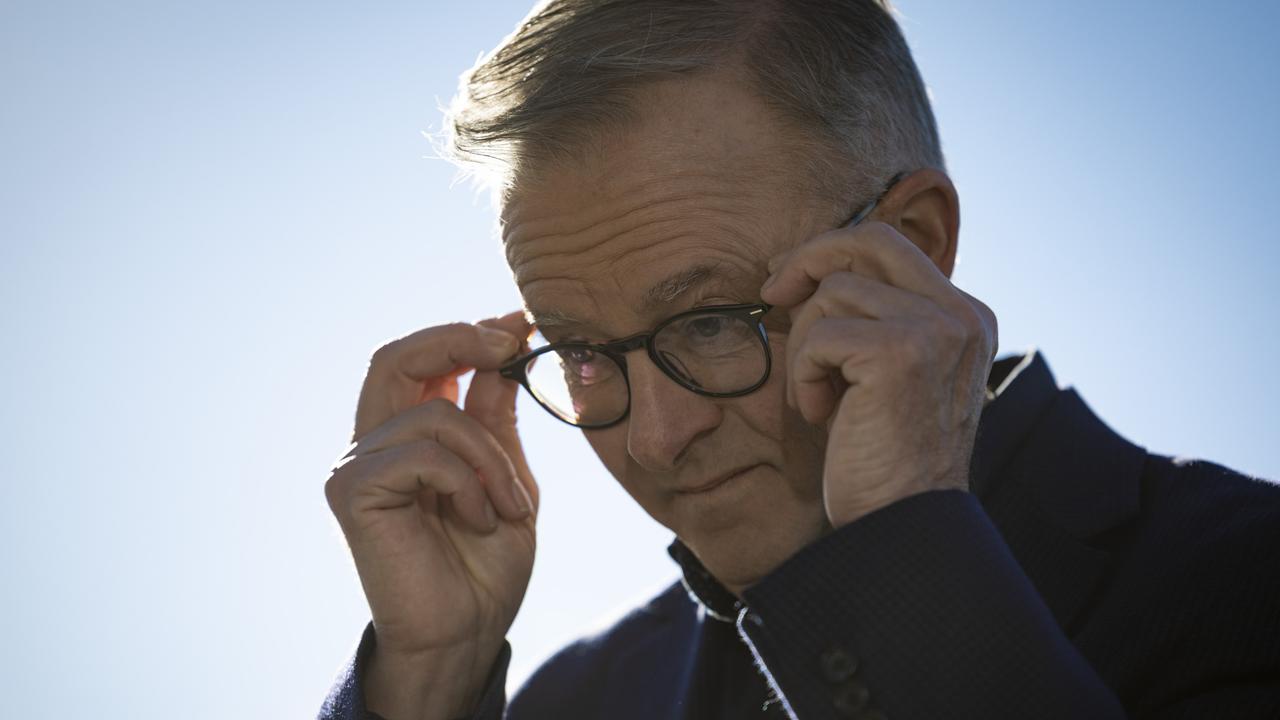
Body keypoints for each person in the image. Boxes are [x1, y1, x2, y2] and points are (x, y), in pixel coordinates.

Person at [319, 1, 1280, 718]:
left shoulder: (1246, 584)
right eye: (581, 353)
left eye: (708, 322)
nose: (654, 441)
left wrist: (906, 558)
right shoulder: (580, 699)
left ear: (915, 242)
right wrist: (430, 679)